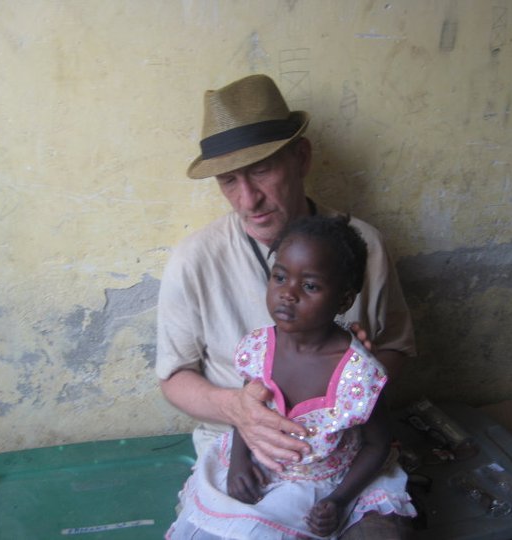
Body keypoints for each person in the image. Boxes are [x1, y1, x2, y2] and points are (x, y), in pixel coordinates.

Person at [156, 74, 416, 538]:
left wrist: (361, 371)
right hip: (240, 452)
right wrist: (238, 409)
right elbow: (174, 377)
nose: (248, 199)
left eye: (261, 171)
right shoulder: (194, 260)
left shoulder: (365, 247)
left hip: (344, 456)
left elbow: (398, 348)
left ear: (301, 157)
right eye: (229, 180)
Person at [166, 215, 416, 539]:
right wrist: (239, 462)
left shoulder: (359, 374)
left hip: (332, 480)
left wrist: (338, 500)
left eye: (309, 286)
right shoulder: (259, 348)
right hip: (264, 466)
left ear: (344, 300)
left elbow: (377, 444)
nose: (288, 293)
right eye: (280, 277)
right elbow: (247, 411)